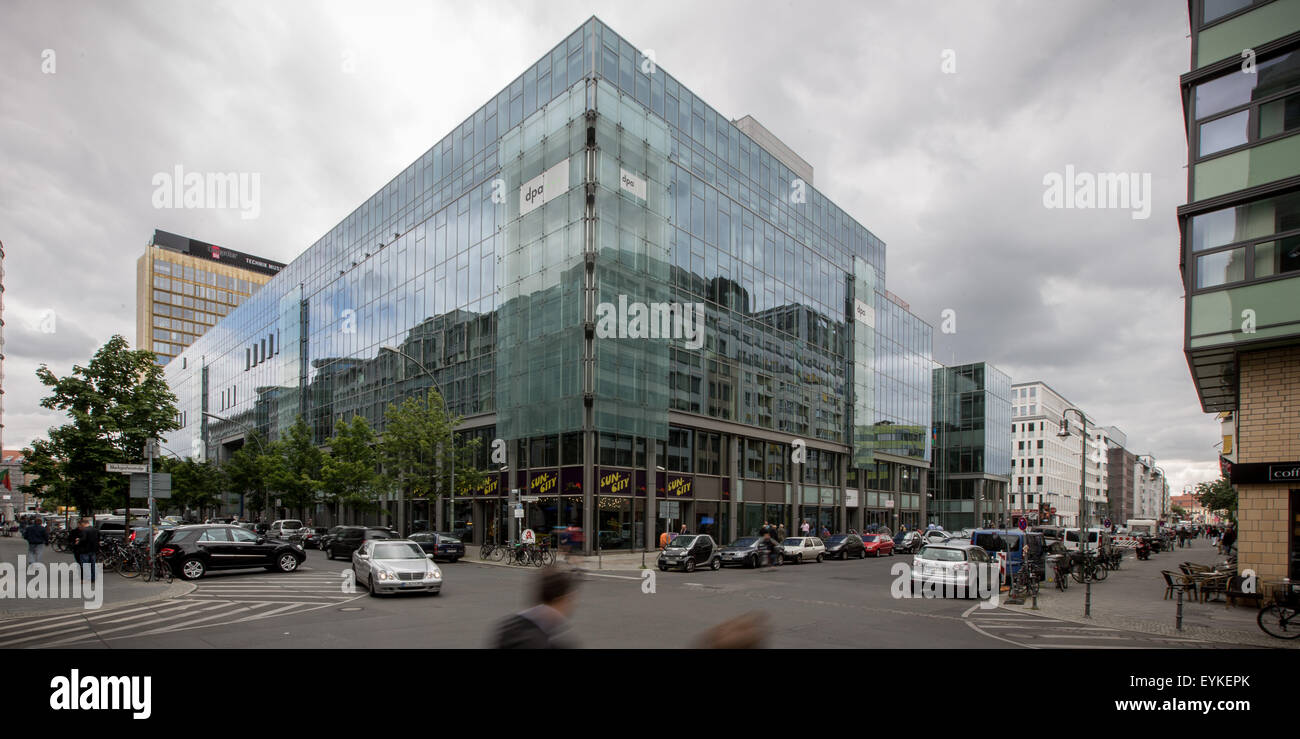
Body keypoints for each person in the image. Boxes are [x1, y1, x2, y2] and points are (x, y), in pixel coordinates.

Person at [491, 567, 580, 648]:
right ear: (561, 600)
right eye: (570, 599)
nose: (572, 605)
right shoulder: (541, 643)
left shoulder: (509, 627)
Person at [70, 518, 100, 584]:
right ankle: (93, 578)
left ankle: (87, 579)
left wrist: (78, 541)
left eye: (80, 525)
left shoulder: (84, 530)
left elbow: (83, 539)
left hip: (84, 550)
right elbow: (98, 539)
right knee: (93, 565)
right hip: (93, 550)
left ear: (83, 524)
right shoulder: (95, 530)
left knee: (85, 565)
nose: (80, 526)